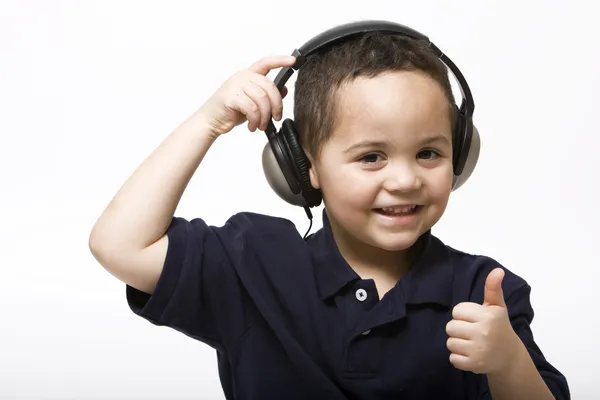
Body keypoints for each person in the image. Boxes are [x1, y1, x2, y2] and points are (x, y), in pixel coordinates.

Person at [89, 21, 569, 400]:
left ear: (460, 155)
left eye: (428, 153)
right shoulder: (252, 266)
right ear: (303, 166)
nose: (405, 180)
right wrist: (208, 122)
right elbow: (119, 244)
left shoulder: (482, 292)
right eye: (370, 157)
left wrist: (507, 361)